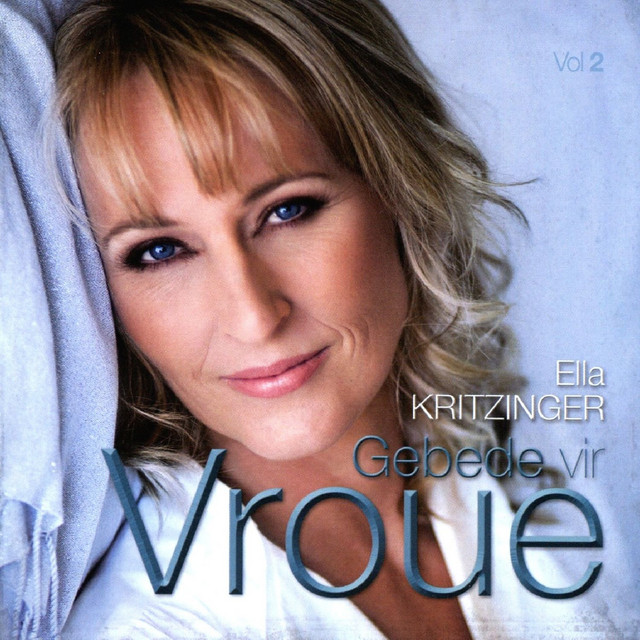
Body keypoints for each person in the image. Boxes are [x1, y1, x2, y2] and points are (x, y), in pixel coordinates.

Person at [53, 0, 597, 638]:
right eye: (160, 251)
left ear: (399, 188)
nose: (254, 317)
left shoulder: (519, 479)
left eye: (286, 211)